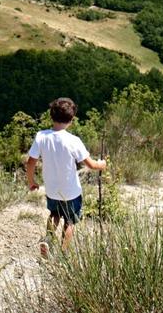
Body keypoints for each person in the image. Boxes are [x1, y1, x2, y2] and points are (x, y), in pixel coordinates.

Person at [26, 97, 106, 256]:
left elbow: (30, 162)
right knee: (69, 221)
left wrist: (31, 182)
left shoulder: (41, 136)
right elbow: (90, 165)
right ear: (71, 119)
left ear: (51, 116)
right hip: (71, 191)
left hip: (52, 189)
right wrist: (102, 164)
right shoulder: (73, 140)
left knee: (54, 214)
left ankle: (47, 240)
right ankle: (64, 254)